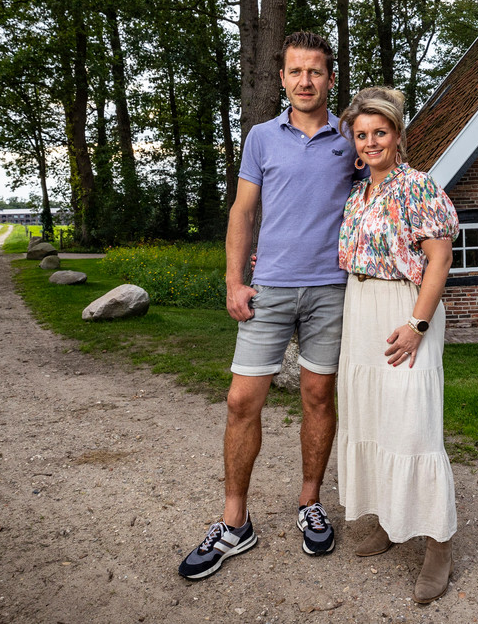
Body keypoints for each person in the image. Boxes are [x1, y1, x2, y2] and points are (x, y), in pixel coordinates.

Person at [179, 32, 359, 580]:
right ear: (281, 78)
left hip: (331, 289)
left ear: (330, 79)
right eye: (296, 72)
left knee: (318, 397)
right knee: (241, 401)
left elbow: (384, 193)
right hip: (271, 289)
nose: (306, 81)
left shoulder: (352, 139)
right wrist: (234, 281)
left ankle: (310, 502)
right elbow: (242, 211)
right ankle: (235, 523)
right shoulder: (261, 136)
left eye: (316, 72)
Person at [335, 86, 460, 604]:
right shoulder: (358, 194)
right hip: (360, 311)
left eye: (378, 132)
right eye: (361, 135)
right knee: (374, 420)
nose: (369, 142)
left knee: (413, 426)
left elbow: (439, 261)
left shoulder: (419, 187)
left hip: (405, 312)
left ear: (397, 135)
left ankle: (439, 546)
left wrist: (417, 325)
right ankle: (389, 519)